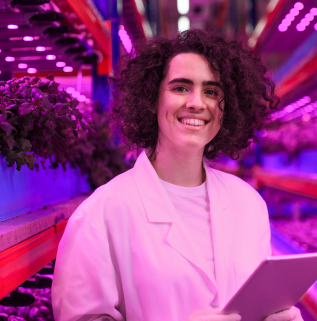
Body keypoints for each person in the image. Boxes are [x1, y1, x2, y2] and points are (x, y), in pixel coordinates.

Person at [52, 30, 304, 321]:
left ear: (227, 110)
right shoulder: (102, 214)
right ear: (152, 100)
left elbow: (255, 303)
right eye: (181, 88)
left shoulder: (248, 203)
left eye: (211, 91)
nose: (197, 102)